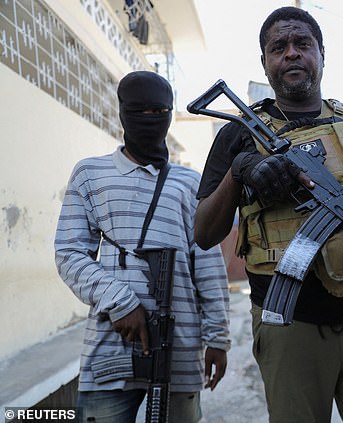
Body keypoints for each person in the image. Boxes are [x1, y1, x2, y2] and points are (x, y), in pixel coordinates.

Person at [194, 6, 343, 423]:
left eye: (302, 44)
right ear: (265, 62)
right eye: (279, 47)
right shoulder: (238, 133)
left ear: (322, 54)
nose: (291, 53)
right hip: (290, 324)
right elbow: (203, 231)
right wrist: (240, 172)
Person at [54, 71, 231, 423]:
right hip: (109, 348)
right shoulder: (90, 174)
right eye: (138, 111)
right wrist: (120, 302)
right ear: (121, 113)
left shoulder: (189, 183)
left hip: (178, 352)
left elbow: (207, 265)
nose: (150, 120)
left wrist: (219, 338)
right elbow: (69, 253)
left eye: (159, 111)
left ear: (170, 113)